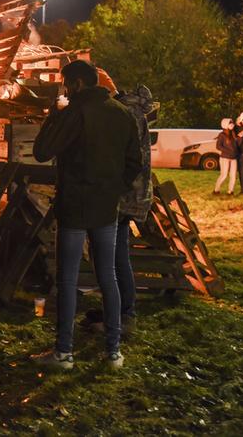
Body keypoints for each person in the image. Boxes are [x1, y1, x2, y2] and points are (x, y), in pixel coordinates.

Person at [33, 60, 142, 369]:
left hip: (75, 207)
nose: (66, 90)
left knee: (68, 279)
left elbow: (42, 151)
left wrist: (53, 115)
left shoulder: (74, 113)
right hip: (107, 209)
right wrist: (113, 189)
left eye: (67, 84)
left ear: (78, 84)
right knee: (108, 276)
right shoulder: (122, 114)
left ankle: (64, 353)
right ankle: (113, 352)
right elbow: (135, 163)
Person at [85, 85, 154, 337]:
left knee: (114, 257)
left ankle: (124, 315)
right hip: (126, 193)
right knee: (113, 255)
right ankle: (117, 311)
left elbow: (127, 159)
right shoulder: (131, 112)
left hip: (124, 196)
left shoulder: (127, 114)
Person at [213, 118, 239, 195]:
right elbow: (218, 146)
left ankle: (230, 191)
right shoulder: (222, 135)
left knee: (233, 176)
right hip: (225, 158)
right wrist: (228, 151)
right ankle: (216, 190)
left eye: (232, 123)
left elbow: (237, 145)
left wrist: (240, 137)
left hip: (234, 158)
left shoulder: (234, 134)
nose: (232, 124)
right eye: (230, 123)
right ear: (225, 125)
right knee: (224, 175)